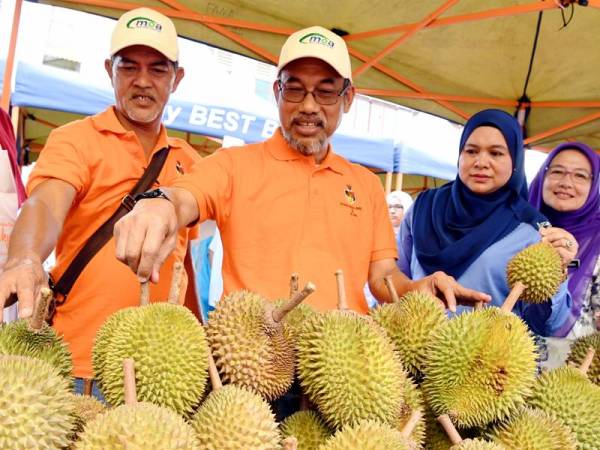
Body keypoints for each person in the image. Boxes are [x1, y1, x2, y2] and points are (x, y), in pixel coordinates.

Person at [112, 26, 490, 318]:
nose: (309, 106)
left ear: (348, 98)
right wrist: (158, 204)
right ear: (277, 92)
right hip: (254, 367)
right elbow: (185, 197)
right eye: (295, 89)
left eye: (325, 92)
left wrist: (414, 290)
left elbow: (382, 277)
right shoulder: (234, 165)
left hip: (340, 368)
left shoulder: (366, 185)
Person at [0, 8, 201, 395]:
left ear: (177, 78)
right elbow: (45, 202)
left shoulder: (189, 161)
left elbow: (181, 260)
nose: (142, 82)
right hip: (78, 367)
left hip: (160, 374)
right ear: (109, 69)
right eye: (129, 67)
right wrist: (25, 257)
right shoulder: (75, 140)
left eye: (158, 69)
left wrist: (197, 334)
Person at [398, 109, 572, 336]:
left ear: (516, 162)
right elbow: (394, 279)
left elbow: (548, 325)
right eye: (471, 151)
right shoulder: (423, 208)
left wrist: (558, 270)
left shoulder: (533, 229)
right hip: (410, 351)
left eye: (496, 153)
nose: (481, 162)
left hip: (485, 362)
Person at [528, 142, 599, 368]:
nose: (566, 183)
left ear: (594, 184)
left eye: (580, 176)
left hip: (570, 377)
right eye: (557, 171)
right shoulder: (515, 227)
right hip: (498, 369)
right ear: (542, 176)